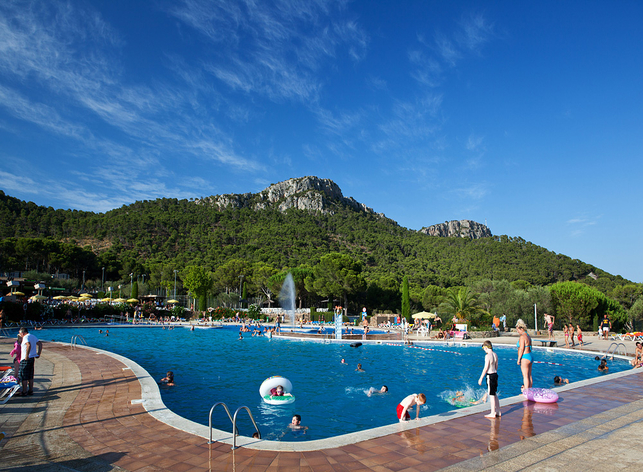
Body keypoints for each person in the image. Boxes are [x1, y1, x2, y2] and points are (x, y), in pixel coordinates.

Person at [478, 340, 500, 418]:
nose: (484, 350)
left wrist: (480, 378)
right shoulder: (495, 354)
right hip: (495, 374)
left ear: (486, 347)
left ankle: (492, 412)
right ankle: (498, 411)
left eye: (484, 348)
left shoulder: (488, 356)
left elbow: (485, 368)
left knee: (491, 394)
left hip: (490, 376)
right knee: (494, 393)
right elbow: (496, 365)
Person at [18, 327, 43, 396]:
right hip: (32, 358)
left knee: (24, 375)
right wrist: (38, 354)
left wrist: (26, 355)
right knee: (30, 375)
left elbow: (28, 345)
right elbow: (40, 344)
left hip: (25, 359)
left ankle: (24, 391)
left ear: (22, 333)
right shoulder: (33, 336)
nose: (20, 335)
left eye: (20, 333)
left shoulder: (25, 337)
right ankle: (30, 390)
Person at [516, 319, 533, 390]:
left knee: (525, 376)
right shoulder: (528, 336)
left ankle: (526, 392)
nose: (517, 331)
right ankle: (530, 389)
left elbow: (521, 348)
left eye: (518, 330)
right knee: (529, 375)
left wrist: (519, 359)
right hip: (530, 355)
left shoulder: (522, 337)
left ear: (521, 329)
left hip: (525, 357)